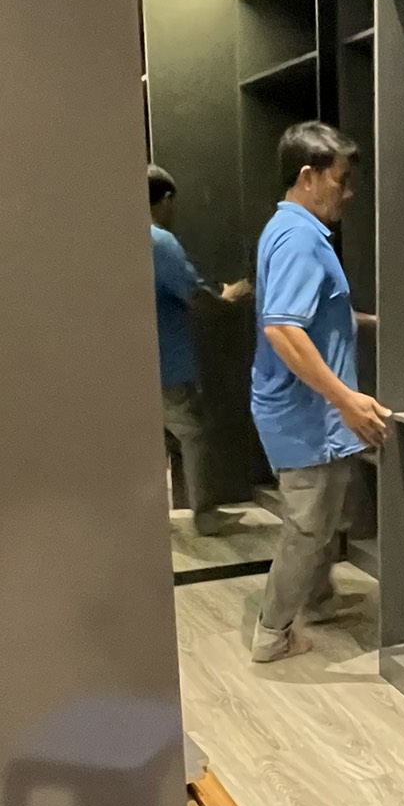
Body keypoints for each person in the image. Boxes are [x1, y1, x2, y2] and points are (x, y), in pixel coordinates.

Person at [248, 120, 388, 664]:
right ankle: (272, 633)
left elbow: (314, 314)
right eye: (341, 179)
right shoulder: (301, 239)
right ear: (308, 176)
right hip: (304, 415)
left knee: (327, 514)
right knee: (307, 530)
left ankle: (319, 597)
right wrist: (346, 400)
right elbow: (284, 328)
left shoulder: (288, 229)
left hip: (307, 412)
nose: (348, 193)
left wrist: (368, 323)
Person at [148, 165, 248, 536]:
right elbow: (194, 294)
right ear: (166, 199)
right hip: (168, 365)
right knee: (193, 433)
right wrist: (227, 297)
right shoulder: (159, 242)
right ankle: (205, 514)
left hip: (142, 363)